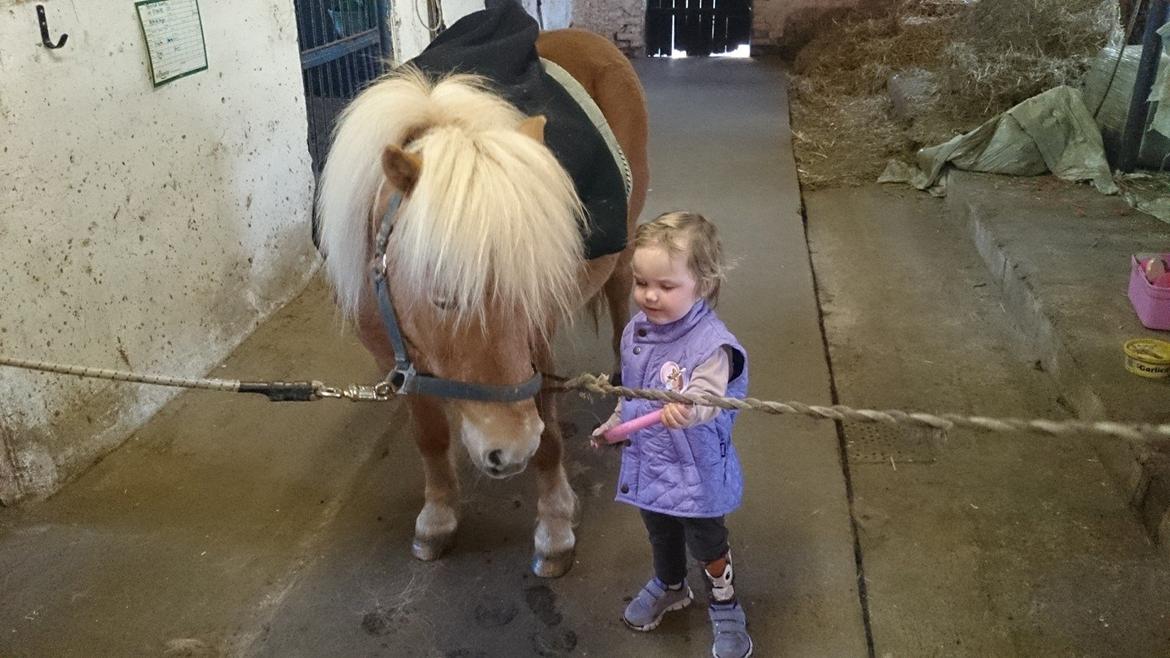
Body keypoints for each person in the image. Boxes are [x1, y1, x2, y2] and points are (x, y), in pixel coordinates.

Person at [592, 211, 752, 658]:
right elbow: (630, 391)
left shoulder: (713, 345)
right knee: (659, 531)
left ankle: (724, 604)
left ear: (703, 283)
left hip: (695, 471)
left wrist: (692, 408)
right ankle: (670, 584)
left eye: (666, 286)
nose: (649, 295)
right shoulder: (635, 333)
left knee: (707, 541)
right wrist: (615, 422)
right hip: (651, 463)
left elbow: (707, 393)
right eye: (641, 282)